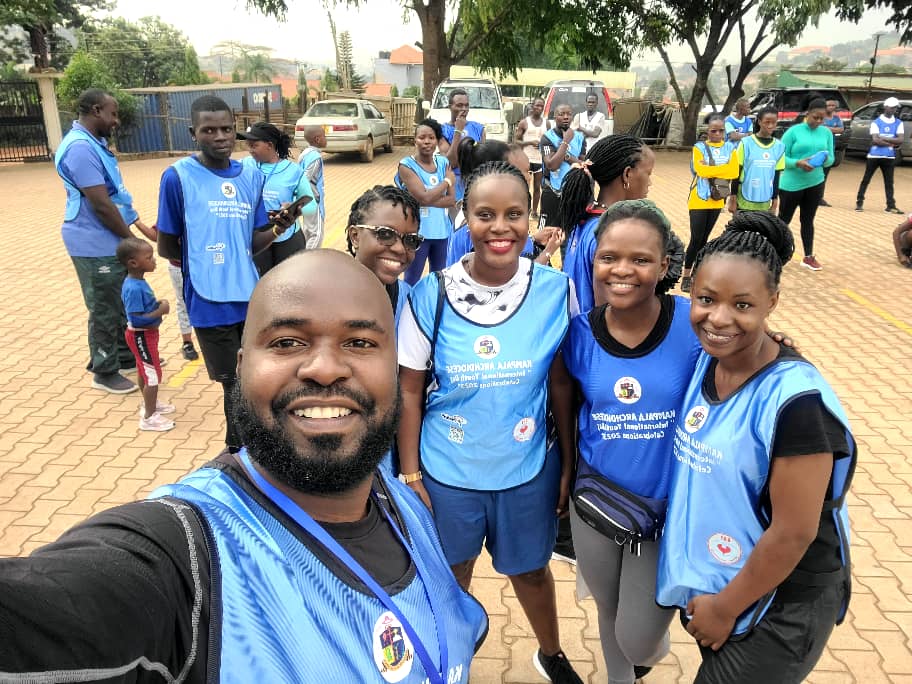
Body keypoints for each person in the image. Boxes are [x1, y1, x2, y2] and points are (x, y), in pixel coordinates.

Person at [0, 251, 489, 683]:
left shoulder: (404, 505)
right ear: (240, 367)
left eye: (360, 343)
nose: (324, 368)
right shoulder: (187, 556)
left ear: (396, 370)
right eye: (287, 342)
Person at [397, 162, 584, 684]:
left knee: (531, 570)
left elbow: (562, 383)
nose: (500, 228)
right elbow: (409, 391)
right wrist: (411, 475)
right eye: (485, 214)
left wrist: (568, 463)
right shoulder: (430, 294)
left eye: (513, 214)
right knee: (452, 575)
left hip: (527, 468)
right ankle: (448, 663)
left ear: (530, 218)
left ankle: (551, 653)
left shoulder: (556, 290)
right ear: (466, 217)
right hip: (446, 472)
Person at [657, 211, 855, 684]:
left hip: (782, 603)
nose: (719, 318)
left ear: (772, 302)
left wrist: (725, 609)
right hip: (728, 581)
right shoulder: (709, 361)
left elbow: (793, 533)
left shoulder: (797, 406)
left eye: (742, 305)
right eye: (706, 299)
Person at [551, 200, 692, 684]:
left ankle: (647, 648)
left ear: (664, 265)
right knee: (608, 611)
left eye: (641, 259)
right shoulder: (578, 334)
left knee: (638, 638)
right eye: (609, 257)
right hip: (597, 500)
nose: (622, 271)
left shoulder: (693, 325)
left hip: (665, 509)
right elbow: (564, 398)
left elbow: (745, 356)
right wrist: (567, 470)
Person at [157, 95, 298, 453]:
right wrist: (206, 265)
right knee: (233, 386)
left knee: (257, 378)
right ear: (193, 133)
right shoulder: (177, 178)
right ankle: (238, 456)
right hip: (209, 301)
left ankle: (260, 452)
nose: (219, 137)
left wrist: (279, 228)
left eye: (226, 129)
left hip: (249, 298)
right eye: (209, 130)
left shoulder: (250, 175)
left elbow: (252, 242)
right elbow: (168, 245)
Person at [55, 88, 152, 394]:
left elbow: (114, 195)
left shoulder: (92, 143)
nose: (116, 120)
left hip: (107, 238)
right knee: (104, 308)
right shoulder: (80, 149)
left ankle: (123, 356)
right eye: (113, 113)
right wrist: (132, 241)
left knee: (118, 300)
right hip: (92, 240)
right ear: (96, 110)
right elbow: (101, 204)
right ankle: (104, 370)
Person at [559, 135, 655, 313]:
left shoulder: (584, 218)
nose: (650, 183)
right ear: (627, 174)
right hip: (595, 328)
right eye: (648, 173)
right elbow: (612, 310)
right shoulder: (614, 233)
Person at [446, 140, 562, 268]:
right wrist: (548, 251)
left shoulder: (475, 214)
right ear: (496, 173)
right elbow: (511, 275)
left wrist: (533, 240)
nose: (529, 177)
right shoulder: (478, 229)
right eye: (522, 171)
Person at [240, 121, 316, 273]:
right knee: (260, 282)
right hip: (256, 239)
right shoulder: (244, 165)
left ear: (269, 145)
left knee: (289, 281)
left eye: (254, 145)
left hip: (287, 239)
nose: (250, 150)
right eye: (248, 145)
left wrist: (293, 209)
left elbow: (311, 206)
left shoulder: (293, 171)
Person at [116, 237, 175, 432]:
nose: (154, 260)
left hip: (146, 335)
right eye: (149, 258)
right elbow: (136, 319)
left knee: (144, 370)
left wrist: (156, 305)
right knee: (153, 375)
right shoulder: (133, 288)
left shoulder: (138, 282)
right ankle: (149, 417)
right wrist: (161, 311)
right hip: (141, 336)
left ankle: (150, 403)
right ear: (134, 263)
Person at [346, 185, 423, 328]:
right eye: (385, 234)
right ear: (355, 236)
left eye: (411, 240)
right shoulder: (325, 295)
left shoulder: (408, 301)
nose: (400, 249)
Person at [682, 114, 739, 293]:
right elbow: (700, 170)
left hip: (717, 200)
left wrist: (711, 169)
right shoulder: (699, 148)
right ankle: (686, 276)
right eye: (713, 131)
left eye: (721, 131)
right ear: (707, 130)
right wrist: (722, 169)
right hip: (699, 199)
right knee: (696, 239)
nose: (717, 134)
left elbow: (734, 171)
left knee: (705, 239)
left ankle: (697, 274)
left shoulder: (730, 148)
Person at [395, 119, 456, 284]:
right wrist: (446, 182)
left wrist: (423, 199)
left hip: (442, 232)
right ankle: (407, 301)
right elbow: (424, 197)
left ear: (437, 141)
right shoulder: (406, 166)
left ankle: (435, 302)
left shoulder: (443, 162)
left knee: (440, 279)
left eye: (431, 137)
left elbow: (451, 200)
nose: (427, 141)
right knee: (412, 279)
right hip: (417, 234)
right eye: (422, 137)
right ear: (415, 140)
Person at [778, 98, 834, 271]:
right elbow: (779, 157)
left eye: (822, 118)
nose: (819, 121)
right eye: (815, 117)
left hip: (815, 183)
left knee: (808, 220)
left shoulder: (826, 133)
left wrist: (823, 160)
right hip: (791, 184)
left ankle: (808, 257)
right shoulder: (793, 132)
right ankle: (773, 252)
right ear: (808, 113)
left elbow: (831, 158)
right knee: (783, 221)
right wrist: (798, 163)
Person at [727, 108, 785, 215]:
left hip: (764, 200)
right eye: (767, 122)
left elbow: (776, 175)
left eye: (774, 122)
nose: (770, 125)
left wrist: (775, 200)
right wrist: (733, 198)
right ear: (759, 121)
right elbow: (736, 171)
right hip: (743, 199)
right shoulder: (746, 143)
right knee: (742, 226)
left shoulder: (779, 147)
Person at [438, 88, 486, 216]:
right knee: (456, 220)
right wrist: (458, 131)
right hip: (455, 183)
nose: (464, 109)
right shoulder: (442, 131)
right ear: (450, 107)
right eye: (459, 105)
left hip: (476, 181)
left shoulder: (478, 128)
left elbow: (482, 161)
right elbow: (451, 162)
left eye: (466, 105)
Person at [540, 104, 587, 234]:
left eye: (569, 114)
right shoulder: (547, 137)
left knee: (570, 232)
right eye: (561, 114)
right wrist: (565, 141)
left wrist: (566, 157)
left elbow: (583, 164)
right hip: (552, 192)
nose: (566, 117)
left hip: (573, 192)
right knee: (546, 233)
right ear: (555, 117)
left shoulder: (579, 137)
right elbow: (552, 165)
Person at [855, 96, 905, 215]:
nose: (893, 110)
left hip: (889, 157)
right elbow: (875, 140)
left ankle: (890, 206)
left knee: (889, 182)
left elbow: (900, 140)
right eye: (891, 107)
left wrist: (882, 137)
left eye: (895, 108)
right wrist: (891, 142)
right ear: (885, 107)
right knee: (866, 179)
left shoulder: (899, 123)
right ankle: (859, 202)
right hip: (874, 156)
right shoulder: (876, 122)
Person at [514, 97, 550, 219]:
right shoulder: (524, 123)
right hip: (526, 160)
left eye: (541, 106)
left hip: (540, 159)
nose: (539, 108)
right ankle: (523, 210)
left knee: (537, 187)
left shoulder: (546, 123)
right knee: (524, 187)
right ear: (532, 106)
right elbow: (516, 141)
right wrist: (529, 142)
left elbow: (550, 140)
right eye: (537, 105)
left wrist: (542, 145)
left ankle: (534, 212)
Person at [298, 125, 327, 248]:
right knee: (317, 234)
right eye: (324, 136)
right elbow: (305, 179)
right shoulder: (315, 157)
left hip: (305, 200)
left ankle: (302, 255)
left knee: (308, 231)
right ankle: (309, 257)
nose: (326, 139)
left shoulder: (304, 154)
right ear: (317, 139)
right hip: (312, 200)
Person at [819, 99, 844, 207]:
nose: (831, 107)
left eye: (833, 105)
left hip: (830, 150)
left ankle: (820, 198)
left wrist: (827, 128)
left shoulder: (837, 118)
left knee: (824, 175)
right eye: (829, 105)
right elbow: (819, 128)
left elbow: (841, 129)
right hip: (818, 150)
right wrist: (833, 129)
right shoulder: (820, 117)